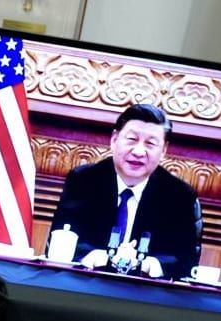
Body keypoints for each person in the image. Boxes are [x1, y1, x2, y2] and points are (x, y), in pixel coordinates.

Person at [49, 103, 201, 280]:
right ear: (114, 140)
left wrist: (155, 265)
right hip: (87, 284)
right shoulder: (84, 180)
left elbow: (185, 260)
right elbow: (64, 237)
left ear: (164, 150)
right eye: (131, 139)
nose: (138, 151)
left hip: (145, 294)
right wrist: (91, 256)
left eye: (150, 143)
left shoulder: (179, 195)